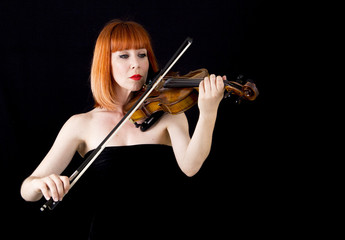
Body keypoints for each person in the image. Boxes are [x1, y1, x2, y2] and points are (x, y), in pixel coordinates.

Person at [20, 19, 225, 238]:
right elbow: (27, 191)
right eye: (123, 56)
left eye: (142, 54)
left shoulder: (168, 114)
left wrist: (208, 112)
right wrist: (41, 184)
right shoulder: (81, 124)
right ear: (104, 63)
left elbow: (191, 166)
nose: (136, 63)